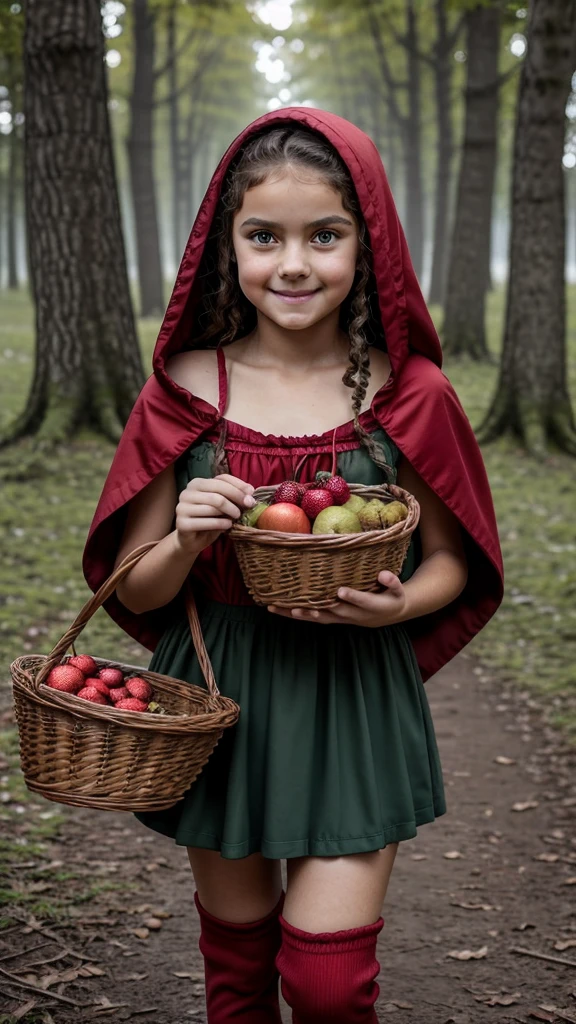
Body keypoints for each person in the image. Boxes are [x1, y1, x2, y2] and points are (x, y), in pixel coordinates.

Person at [83, 108, 503, 1023]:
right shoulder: (187, 388)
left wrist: (396, 611)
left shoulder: (408, 391)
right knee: (237, 971)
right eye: (263, 236)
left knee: (328, 983)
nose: (294, 264)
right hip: (217, 695)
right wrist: (187, 538)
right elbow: (135, 585)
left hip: (352, 691)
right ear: (226, 246)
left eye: (326, 235)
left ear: (368, 244)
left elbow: (452, 565)